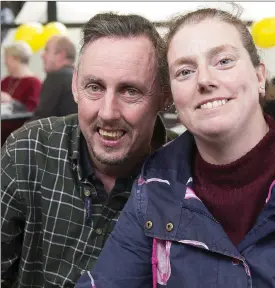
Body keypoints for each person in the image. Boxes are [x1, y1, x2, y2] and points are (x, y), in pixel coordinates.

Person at [76, 6, 275, 288]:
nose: (204, 80)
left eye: (223, 61)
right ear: (172, 96)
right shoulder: (157, 184)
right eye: (185, 71)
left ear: (260, 77)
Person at [1, 12, 175, 287]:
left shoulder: (186, 175)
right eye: (94, 87)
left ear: (165, 96)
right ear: (75, 87)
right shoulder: (29, 150)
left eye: (130, 91)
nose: (107, 113)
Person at [30, 35, 78, 121]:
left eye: (46, 50)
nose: (42, 55)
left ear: (60, 55)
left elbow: (41, 119)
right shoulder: (79, 77)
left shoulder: (56, 77)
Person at [1, 41, 42, 111]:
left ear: (16, 59)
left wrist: (11, 101)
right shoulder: (6, 80)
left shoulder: (34, 83)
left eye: (7, 58)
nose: (5, 62)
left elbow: (32, 110)